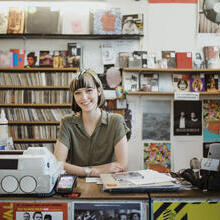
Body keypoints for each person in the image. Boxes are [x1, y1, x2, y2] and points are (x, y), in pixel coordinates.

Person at [54, 69, 130, 177]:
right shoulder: (67, 123)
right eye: (78, 93)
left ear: (99, 91)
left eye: (89, 90)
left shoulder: (116, 121)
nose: (84, 97)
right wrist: (90, 171)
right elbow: (58, 164)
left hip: (109, 184)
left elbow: (122, 165)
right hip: (77, 186)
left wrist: (77, 170)